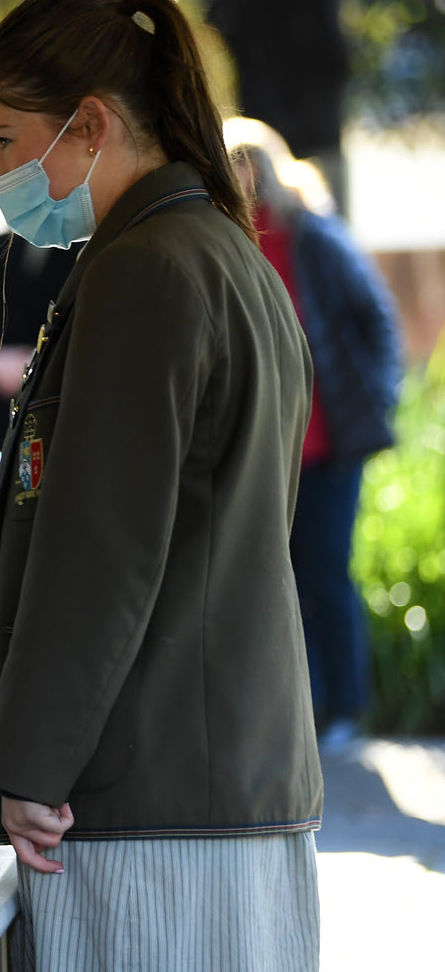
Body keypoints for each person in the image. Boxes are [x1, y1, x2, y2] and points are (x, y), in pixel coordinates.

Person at [0, 0, 321, 971]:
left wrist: (28, 764)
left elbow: (101, 546)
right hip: (218, 781)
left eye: (3, 137)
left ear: (91, 125)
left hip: (141, 798)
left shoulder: (147, 269)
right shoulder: (219, 252)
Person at [226, 116, 404, 751]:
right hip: (267, 450)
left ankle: (345, 709)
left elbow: (377, 322)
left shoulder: (314, 238)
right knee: (277, 579)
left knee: (326, 572)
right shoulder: (227, 241)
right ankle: (299, 709)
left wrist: (377, 399)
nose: (242, 175)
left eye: (248, 162)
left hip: (330, 444)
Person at [0, 234, 77, 449]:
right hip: (1, 407)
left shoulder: (83, 249)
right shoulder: (1, 246)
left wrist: (37, 361)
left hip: (56, 403)